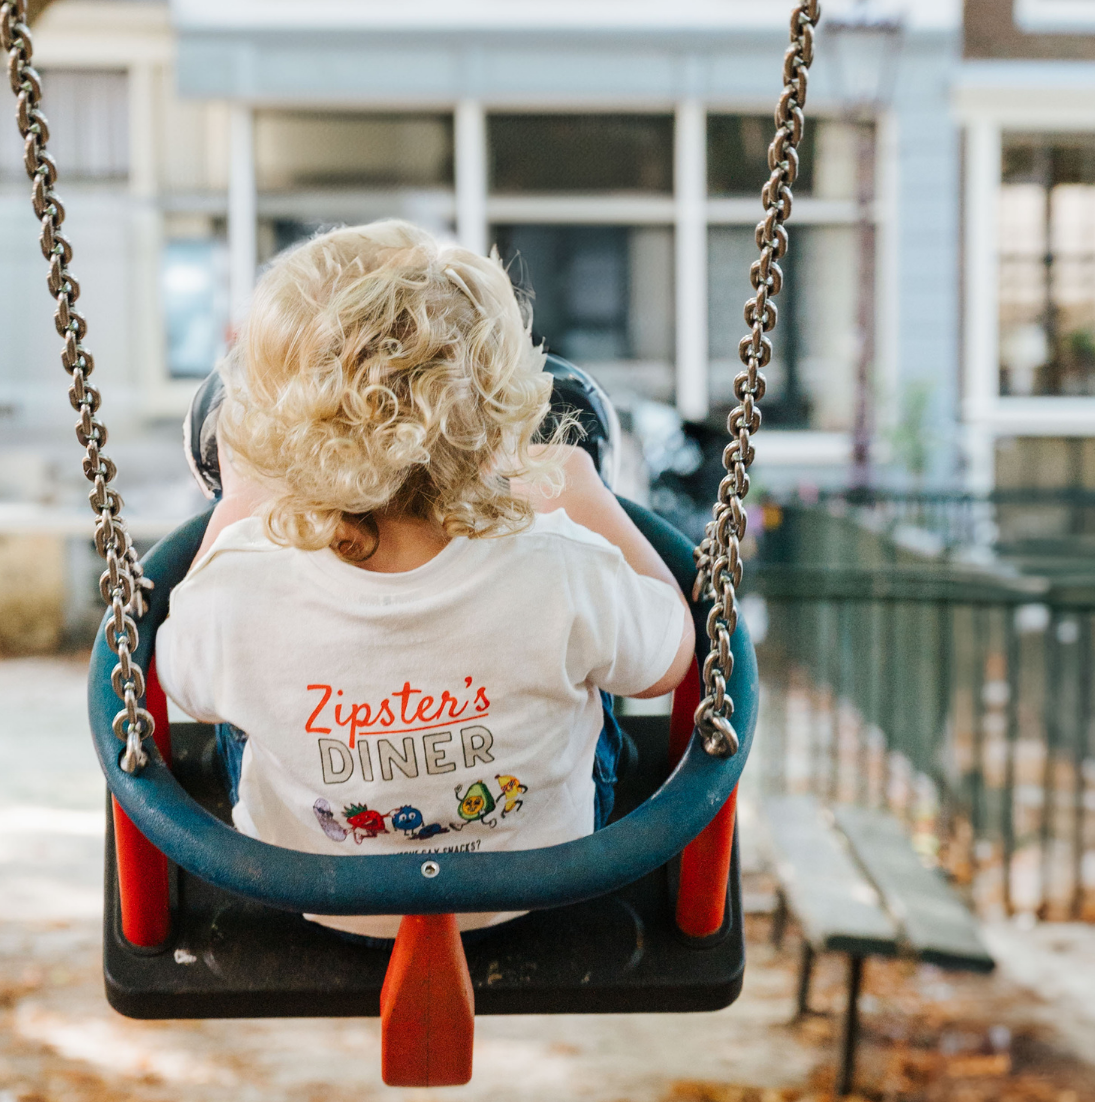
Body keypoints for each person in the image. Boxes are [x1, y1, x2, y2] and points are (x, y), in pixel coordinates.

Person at [155, 220, 694, 940]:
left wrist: (242, 504)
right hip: (541, 878)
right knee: (593, 665)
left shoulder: (241, 586)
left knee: (238, 698)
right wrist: (576, 487)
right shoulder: (563, 564)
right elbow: (669, 662)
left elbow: (182, 682)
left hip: (313, 884)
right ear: (503, 420)